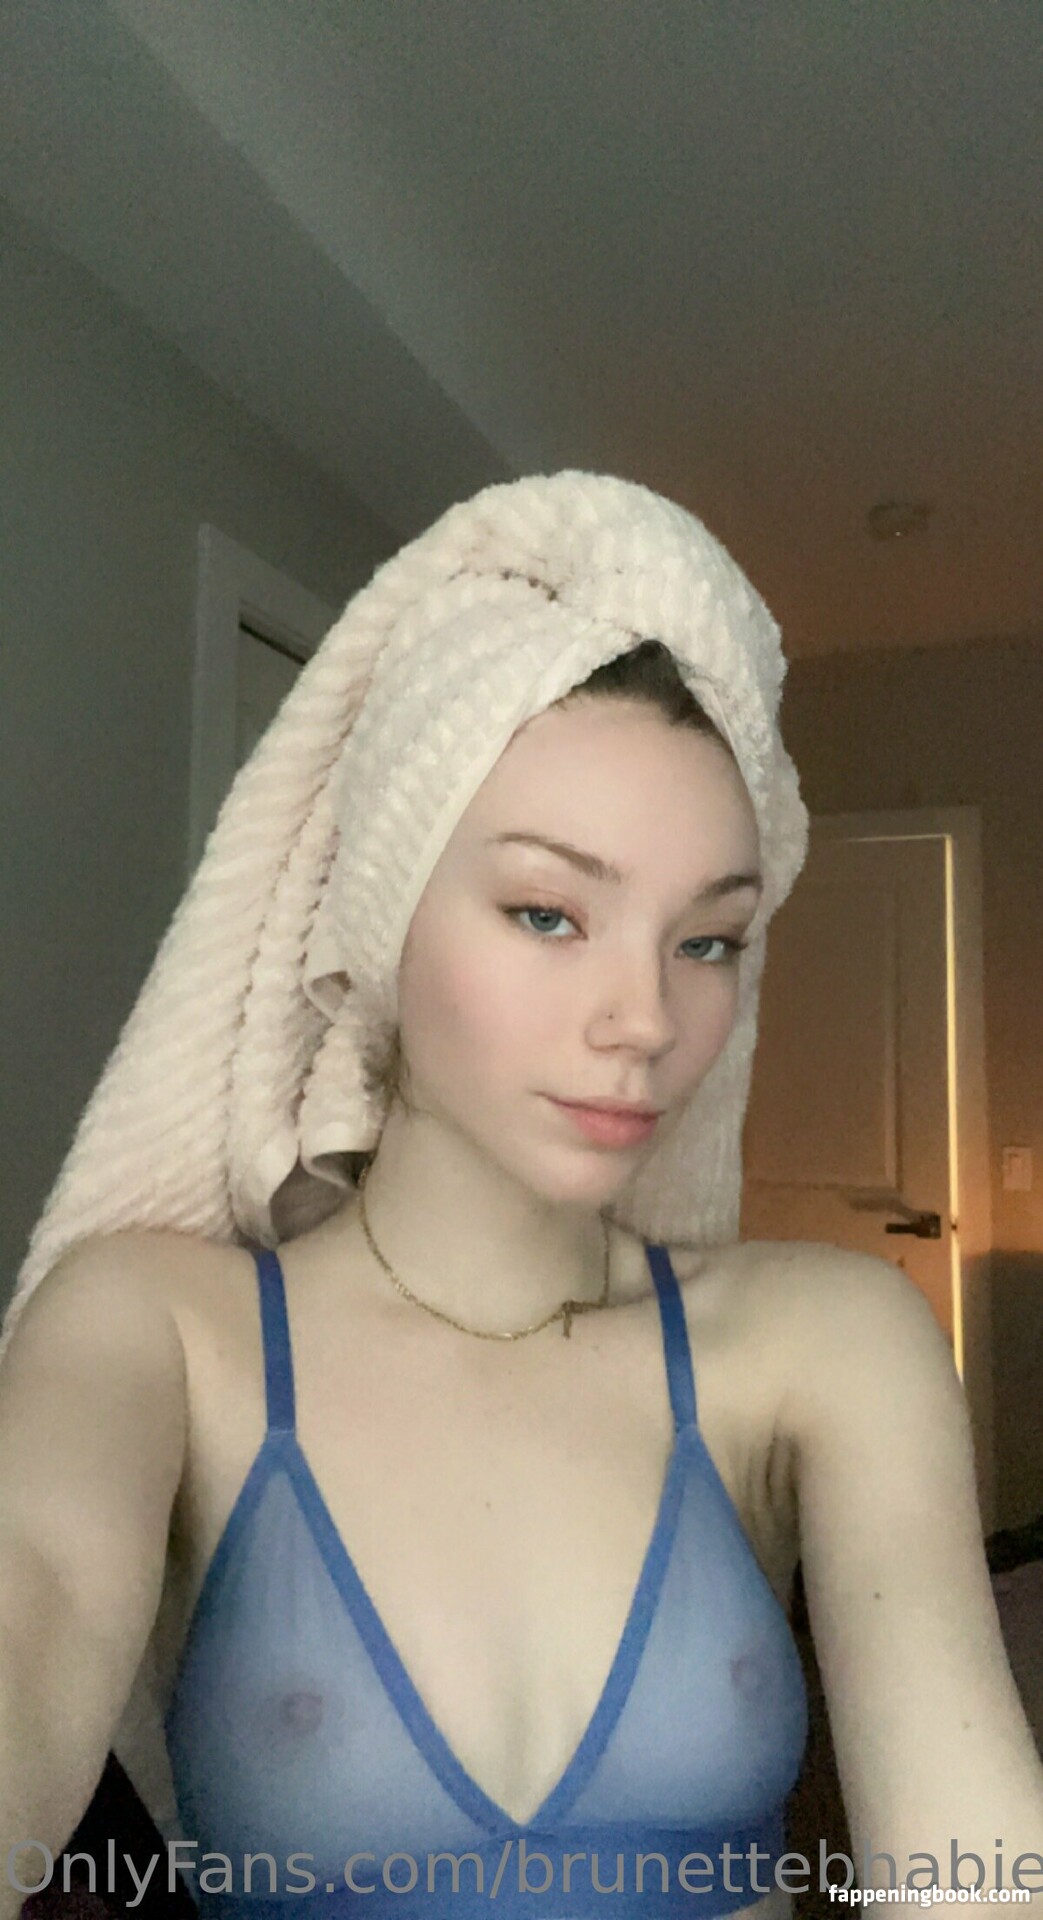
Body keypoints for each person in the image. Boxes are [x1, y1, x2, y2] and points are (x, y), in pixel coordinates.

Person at [0, 473, 1040, 1920]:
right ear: (379, 920)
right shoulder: (158, 1327)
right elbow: (32, 1605)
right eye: (549, 913)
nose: (647, 1019)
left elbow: (976, 1871)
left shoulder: (830, 1338)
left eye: (709, 940)